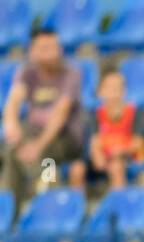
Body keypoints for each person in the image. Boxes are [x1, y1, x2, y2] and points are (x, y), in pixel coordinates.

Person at [1, 29, 86, 213]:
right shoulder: (27, 72)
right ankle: (11, 213)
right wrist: (10, 122)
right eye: (44, 48)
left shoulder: (71, 73)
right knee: (10, 150)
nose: (51, 53)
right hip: (33, 134)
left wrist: (37, 146)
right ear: (33, 51)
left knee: (43, 156)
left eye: (54, 47)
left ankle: (48, 192)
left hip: (64, 138)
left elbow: (60, 115)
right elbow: (14, 100)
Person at [88, 69, 144, 190]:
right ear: (100, 91)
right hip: (105, 155)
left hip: (127, 156)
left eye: (118, 87)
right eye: (109, 87)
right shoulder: (96, 114)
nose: (113, 92)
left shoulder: (134, 113)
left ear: (124, 91)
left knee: (116, 166)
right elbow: (95, 141)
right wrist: (97, 154)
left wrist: (121, 150)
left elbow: (138, 142)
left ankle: (119, 203)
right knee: (77, 169)